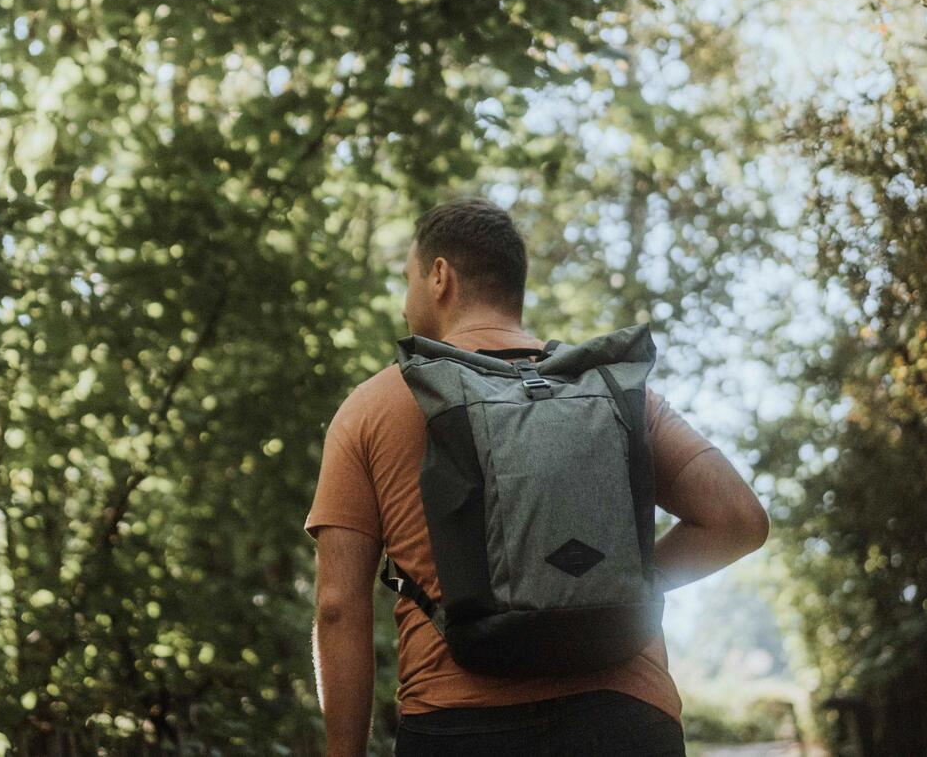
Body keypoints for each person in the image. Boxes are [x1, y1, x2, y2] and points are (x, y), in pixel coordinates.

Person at [305, 195, 770, 756]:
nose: (406, 304)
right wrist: (615, 584)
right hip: (624, 720)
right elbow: (739, 521)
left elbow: (338, 606)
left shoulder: (373, 405)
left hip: (460, 725)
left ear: (439, 276)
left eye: (408, 281)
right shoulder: (613, 391)